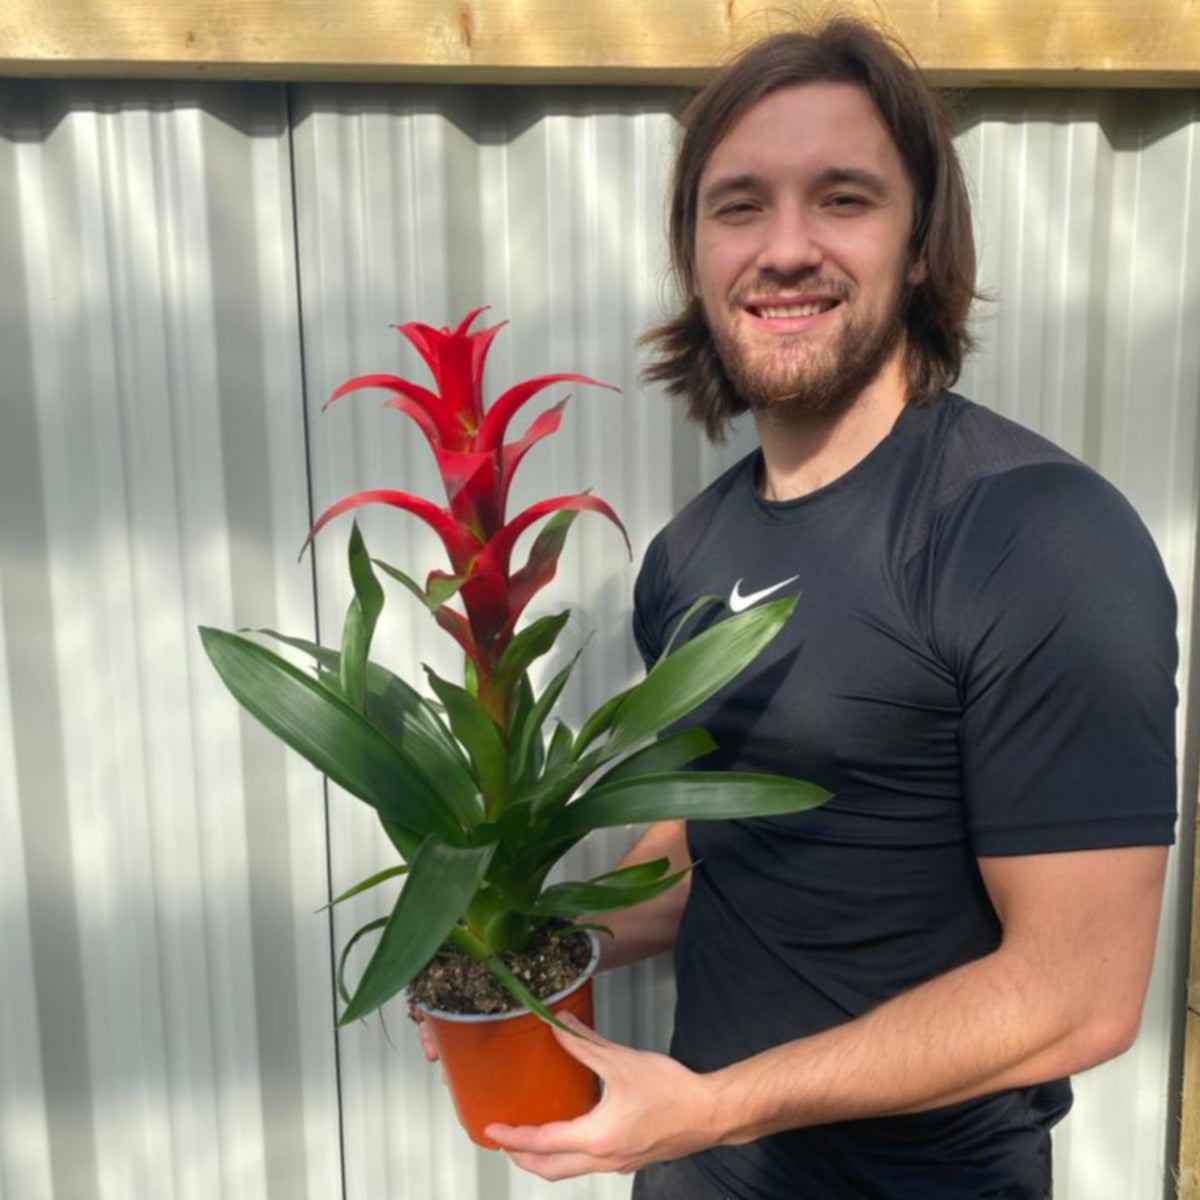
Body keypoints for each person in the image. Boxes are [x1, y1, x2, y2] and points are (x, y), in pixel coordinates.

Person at [467, 20, 1178, 1199]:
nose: (785, 248)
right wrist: (525, 945)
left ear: (917, 247)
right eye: (738, 206)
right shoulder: (690, 553)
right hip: (694, 1171)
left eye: (841, 198)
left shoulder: (1037, 536)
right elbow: (710, 836)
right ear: (695, 256)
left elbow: (1078, 996)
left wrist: (716, 1105)